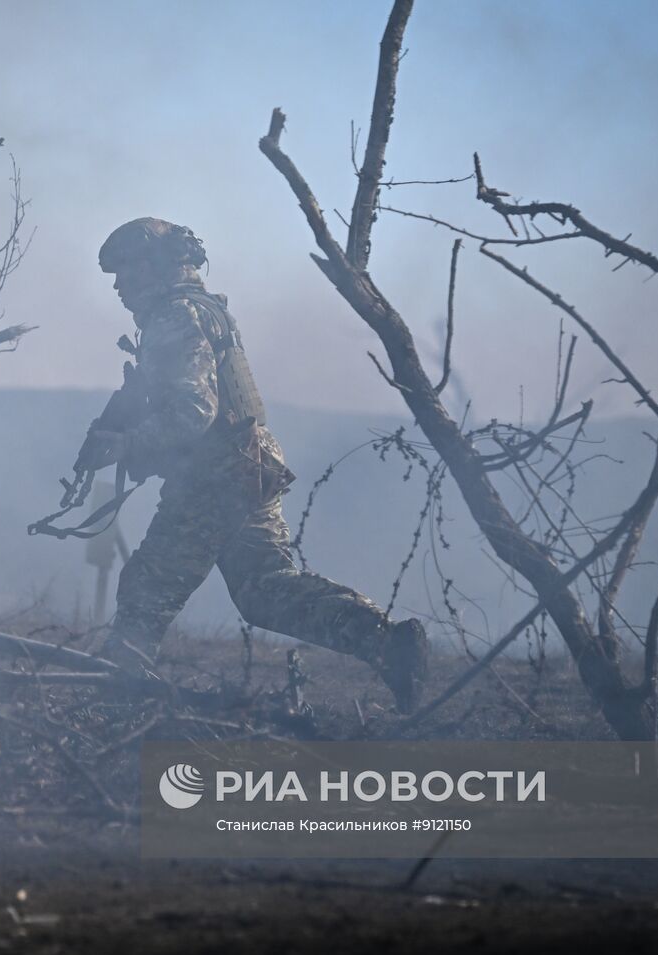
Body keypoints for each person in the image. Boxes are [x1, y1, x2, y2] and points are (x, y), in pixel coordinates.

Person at [79, 217, 428, 711]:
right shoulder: (200, 310)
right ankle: (388, 644)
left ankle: (118, 698)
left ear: (155, 267)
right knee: (263, 588)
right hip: (248, 462)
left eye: (127, 272)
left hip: (216, 474)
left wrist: (128, 445)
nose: (118, 286)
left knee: (147, 587)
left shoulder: (174, 318)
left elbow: (193, 413)